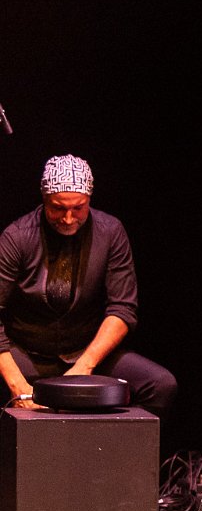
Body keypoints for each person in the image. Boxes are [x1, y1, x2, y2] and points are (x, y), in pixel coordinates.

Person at [0, 155, 177, 423]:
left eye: (78, 208)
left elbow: (123, 309)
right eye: (58, 208)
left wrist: (85, 365)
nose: (68, 218)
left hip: (86, 352)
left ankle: (107, 449)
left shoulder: (111, 232)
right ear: (44, 199)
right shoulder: (17, 237)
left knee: (160, 385)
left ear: (89, 200)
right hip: (26, 353)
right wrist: (17, 385)